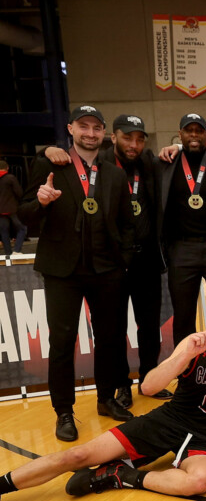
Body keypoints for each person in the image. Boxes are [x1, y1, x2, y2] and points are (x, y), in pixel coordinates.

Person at [0, 287, 206, 501]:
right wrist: (185, 355)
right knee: (77, 456)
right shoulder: (195, 342)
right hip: (169, 421)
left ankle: (120, 475)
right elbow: (148, 387)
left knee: (198, 482)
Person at [18, 106, 134, 441]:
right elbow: (24, 214)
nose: (90, 133)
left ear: (104, 134)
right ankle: (64, 412)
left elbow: (127, 224)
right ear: (70, 129)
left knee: (110, 338)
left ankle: (106, 398)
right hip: (62, 271)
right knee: (62, 342)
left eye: (96, 128)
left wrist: (123, 260)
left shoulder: (115, 175)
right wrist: (41, 202)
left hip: (106, 269)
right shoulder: (49, 165)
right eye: (84, 126)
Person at [156, 113, 206, 345]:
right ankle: (187, 367)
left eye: (199, 131)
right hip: (182, 249)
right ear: (180, 134)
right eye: (188, 130)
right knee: (183, 317)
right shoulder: (165, 164)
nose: (194, 135)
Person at [0, 160, 27, 256]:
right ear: (7, 168)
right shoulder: (10, 178)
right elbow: (19, 192)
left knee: (4, 231)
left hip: (0, 211)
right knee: (22, 229)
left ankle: (8, 253)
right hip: (11, 208)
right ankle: (17, 250)